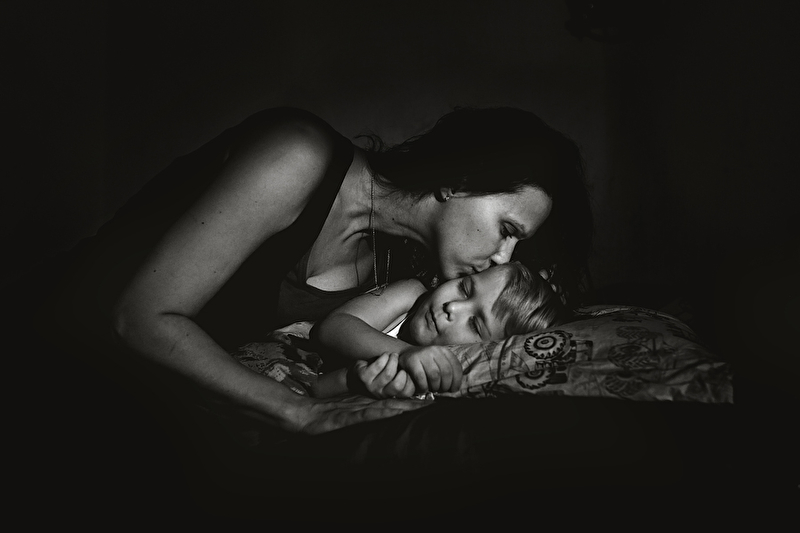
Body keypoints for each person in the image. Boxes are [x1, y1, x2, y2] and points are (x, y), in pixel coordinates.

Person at [21, 105, 591, 438]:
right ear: (459, 181)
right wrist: (298, 411)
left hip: (129, 405)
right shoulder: (298, 155)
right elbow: (137, 317)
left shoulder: (402, 269)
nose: (503, 257)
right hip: (47, 349)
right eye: (507, 229)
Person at [307, 261, 565, 399]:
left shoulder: (442, 385)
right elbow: (331, 328)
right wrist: (406, 354)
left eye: (475, 324)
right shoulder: (412, 295)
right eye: (465, 288)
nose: (453, 307)